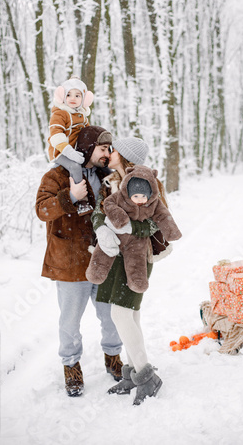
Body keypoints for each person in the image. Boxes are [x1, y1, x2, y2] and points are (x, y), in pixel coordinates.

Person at [87, 137, 182, 405]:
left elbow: (157, 224)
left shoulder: (148, 184)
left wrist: (131, 229)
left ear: (126, 156)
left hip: (139, 258)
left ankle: (145, 375)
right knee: (131, 315)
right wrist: (101, 228)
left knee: (120, 313)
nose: (109, 153)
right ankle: (131, 374)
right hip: (114, 255)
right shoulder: (109, 184)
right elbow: (98, 212)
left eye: (114, 150)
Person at [36, 125, 123, 397]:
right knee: (70, 321)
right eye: (102, 148)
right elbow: (42, 210)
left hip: (103, 260)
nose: (107, 154)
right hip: (70, 264)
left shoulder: (106, 177)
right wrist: (70, 197)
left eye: (109, 149)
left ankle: (113, 358)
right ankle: (71, 366)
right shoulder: (56, 176)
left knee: (111, 315)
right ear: (87, 148)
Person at [86, 164, 182, 293]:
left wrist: (172, 232)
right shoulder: (119, 196)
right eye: (136, 196)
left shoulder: (154, 203)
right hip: (115, 233)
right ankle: (96, 272)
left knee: (136, 260)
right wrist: (119, 218)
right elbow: (108, 204)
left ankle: (137, 281)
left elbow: (163, 216)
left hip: (137, 239)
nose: (141, 200)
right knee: (104, 251)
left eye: (144, 196)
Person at [48, 76, 94, 215]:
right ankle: (82, 201)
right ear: (62, 96)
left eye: (77, 95)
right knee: (74, 166)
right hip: (60, 152)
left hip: (76, 151)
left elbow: (88, 134)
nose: (72, 98)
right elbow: (56, 134)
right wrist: (68, 151)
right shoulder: (60, 113)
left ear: (84, 99)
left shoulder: (83, 116)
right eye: (68, 94)